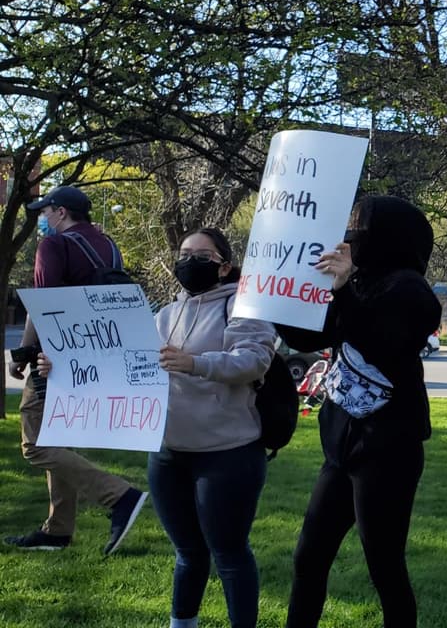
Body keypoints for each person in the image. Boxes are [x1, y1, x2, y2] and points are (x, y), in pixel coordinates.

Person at [35, 227, 275, 627]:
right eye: (184, 254)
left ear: (224, 267)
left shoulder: (243, 307)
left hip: (228, 454)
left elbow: (253, 360)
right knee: (188, 553)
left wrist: (195, 364)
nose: (190, 262)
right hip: (167, 454)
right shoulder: (163, 315)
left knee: (230, 555)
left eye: (202, 256)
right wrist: (58, 367)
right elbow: (117, 365)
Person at [275, 195, 441, 628]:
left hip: (387, 452)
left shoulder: (412, 291)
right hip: (341, 449)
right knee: (309, 556)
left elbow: (379, 339)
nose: (350, 236)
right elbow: (312, 336)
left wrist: (343, 288)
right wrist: (272, 299)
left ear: (389, 236)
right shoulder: (359, 282)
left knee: (384, 565)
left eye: (360, 227)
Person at [4, 185, 147, 554]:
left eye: (45, 211)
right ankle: (57, 530)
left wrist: (23, 354)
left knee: (35, 445)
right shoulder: (108, 246)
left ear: (62, 212)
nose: (43, 218)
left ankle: (119, 496)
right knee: (57, 438)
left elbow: (43, 305)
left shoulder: (53, 245)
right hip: (95, 357)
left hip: (55, 359)